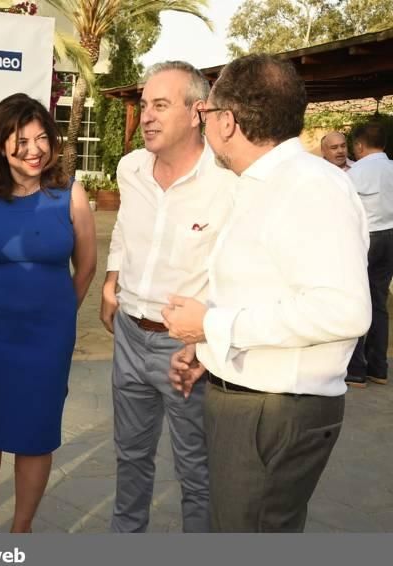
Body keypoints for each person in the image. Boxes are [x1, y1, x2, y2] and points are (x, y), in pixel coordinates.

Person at [163, 54, 371, 532]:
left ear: (228, 122)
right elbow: (266, 289)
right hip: (255, 401)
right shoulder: (265, 184)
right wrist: (209, 347)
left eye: (206, 113)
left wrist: (213, 325)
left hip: (274, 411)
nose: (205, 123)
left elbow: (344, 310)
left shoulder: (310, 186)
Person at [100, 61, 235, 533]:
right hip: (129, 337)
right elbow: (124, 230)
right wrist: (111, 280)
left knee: (196, 472)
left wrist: (203, 342)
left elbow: (237, 275)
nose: (148, 116)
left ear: (197, 111)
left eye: (160, 105)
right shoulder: (131, 168)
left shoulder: (226, 184)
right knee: (130, 459)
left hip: (185, 351)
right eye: (144, 106)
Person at [0, 93, 96, 533]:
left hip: (48, 337)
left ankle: (22, 530)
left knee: (36, 432)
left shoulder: (70, 194)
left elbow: (87, 265)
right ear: (0, 144)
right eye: (21, 140)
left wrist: (54, 313)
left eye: (42, 138)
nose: (34, 149)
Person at [346, 122, 393, 387]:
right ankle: (379, 368)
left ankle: (356, 370)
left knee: (356, 300)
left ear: (359, 145)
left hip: (367, 239)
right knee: (379, 301)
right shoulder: (392, 168)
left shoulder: (356, 172)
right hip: (391, 237)